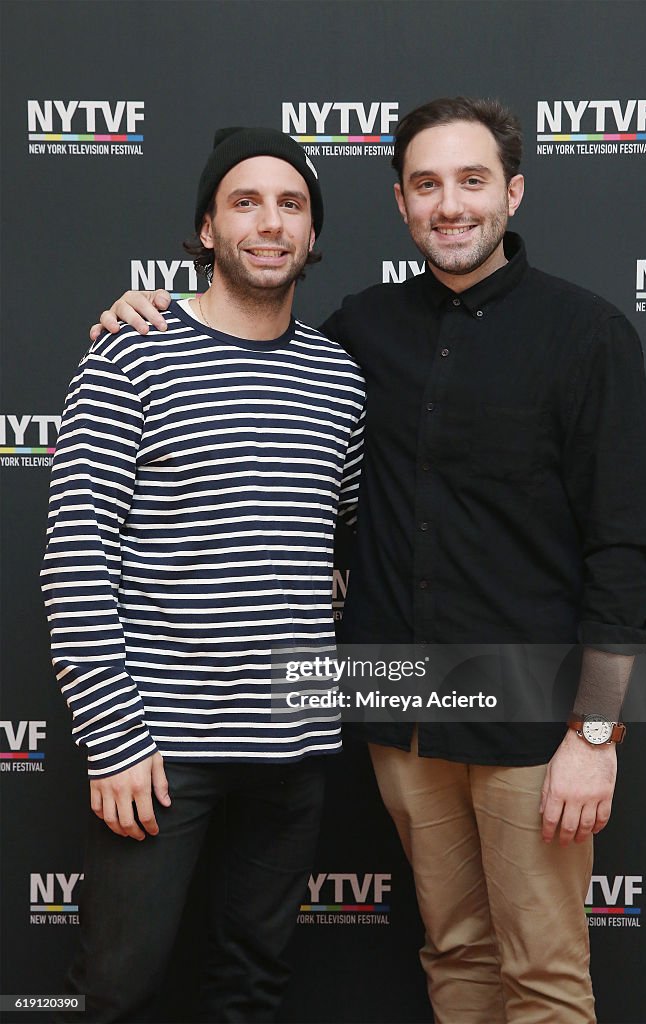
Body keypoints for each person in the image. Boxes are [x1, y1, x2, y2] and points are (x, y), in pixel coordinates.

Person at [90, 97, 646, 1024]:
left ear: (511, 192)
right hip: (402, 715)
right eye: (426, 184)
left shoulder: (586, 334)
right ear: (400, 203)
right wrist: (138, 307)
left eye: (472, 181)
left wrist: (594, 733)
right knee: (456, 953)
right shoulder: (358, 336)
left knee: (546, 979)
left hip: (530, 719)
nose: (450, 205)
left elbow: (628, 550)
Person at [42, 126, 365, 1023]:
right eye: (246, 201)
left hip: (290, 746)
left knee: (251, 988)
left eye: (291, 204)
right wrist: (112, 737)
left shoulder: (339, 380)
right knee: (117, 987)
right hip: (157, 747)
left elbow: (336, 542)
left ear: (310, 233)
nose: (270, 222)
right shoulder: (131, 353)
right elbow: (74, 561)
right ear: (208, 227)